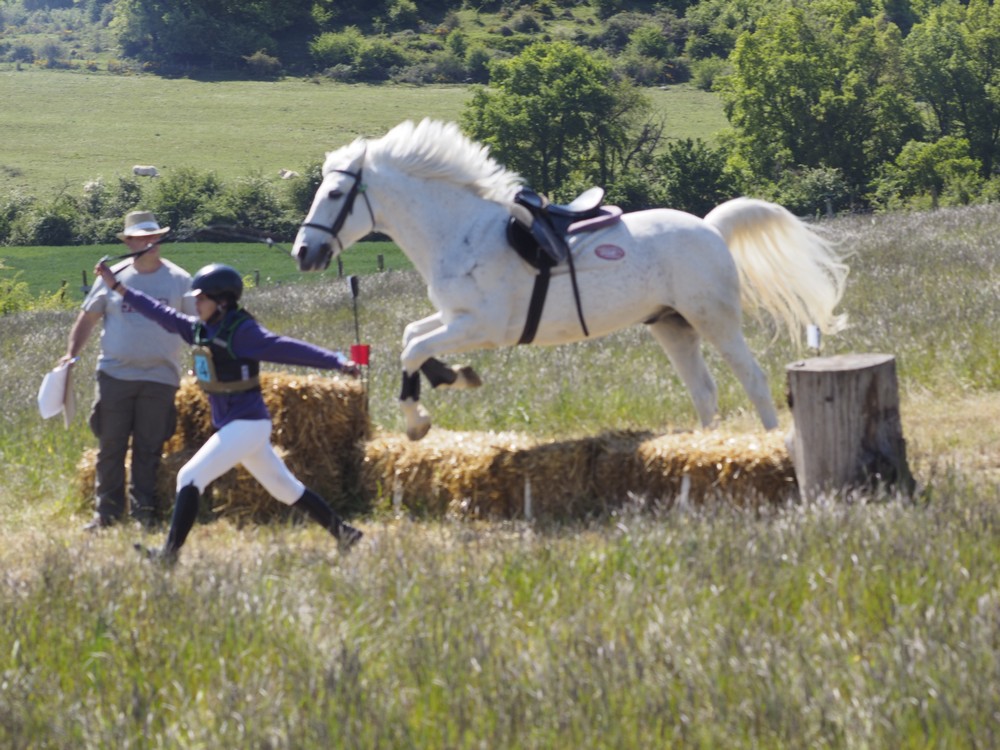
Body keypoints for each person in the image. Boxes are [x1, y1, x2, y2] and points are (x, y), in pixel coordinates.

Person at [93, 260, 364, 563]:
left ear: (221, 302)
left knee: (189, 477)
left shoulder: (242, 332)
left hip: (247, 425)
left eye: (201, 298)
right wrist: (117, 287)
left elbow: (287, 347)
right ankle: (344, 533)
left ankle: (168, 556)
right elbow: (160, 313)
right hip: (240, 427)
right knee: (285, 489)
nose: (195, 302)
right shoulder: (200, 329)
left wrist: (337, 361)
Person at [62, 210, 195, 530]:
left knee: (149, 449)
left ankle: (143, 513)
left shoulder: (179, 279)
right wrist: (70, 355)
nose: (149, 242)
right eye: (141, 237)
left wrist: (198, 367)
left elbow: (196, 329)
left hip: (161, 378)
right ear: (129, 242)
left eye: (153, 236)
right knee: (110, 446)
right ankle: (105, 514)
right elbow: (88, 318)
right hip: (114, 376)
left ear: (159, 239)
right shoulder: (112, 277)